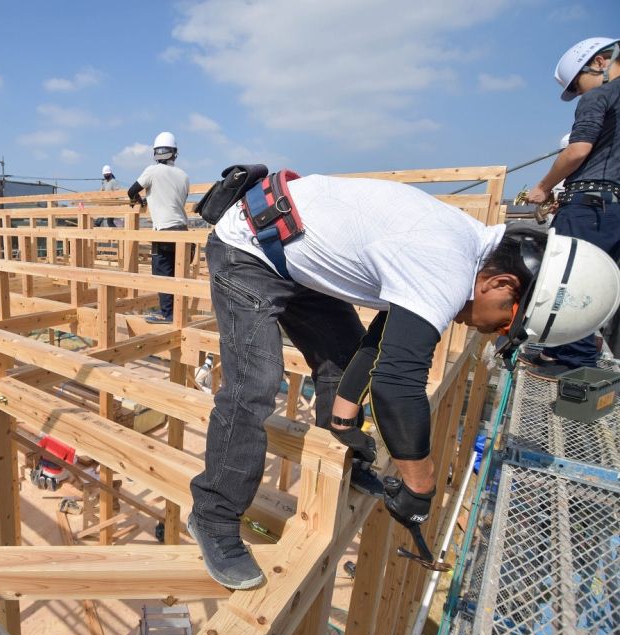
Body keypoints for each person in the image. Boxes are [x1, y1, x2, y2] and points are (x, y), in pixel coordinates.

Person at [188, 171, 620, 590]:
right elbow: (397, 386)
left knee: (343, 355)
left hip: (290, 248)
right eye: (508, 324)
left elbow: (381, 339)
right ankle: (214, 514)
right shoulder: (445, 265)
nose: (495, 332)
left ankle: (342, 456)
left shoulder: (465, 249)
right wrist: (421, 483)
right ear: (501, 283)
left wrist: (344, 420)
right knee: (254, 384)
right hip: (247, 249)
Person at [525, 37, 620, 376]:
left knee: (569, 279)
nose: (580, 94)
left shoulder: (599, 96)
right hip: (614, 210)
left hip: (591, 204)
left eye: (578, 86)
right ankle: (578, 353)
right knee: (604, 285)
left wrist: (543, 187)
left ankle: (574, 363)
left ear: (599, 62)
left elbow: (577, 151)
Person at [128, 132, 191, 323]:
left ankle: (168, 315)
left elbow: (132, 191)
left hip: (164, 231)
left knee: (162, 275)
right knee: (178, 275)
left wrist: (138, 201)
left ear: (156, 153)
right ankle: (179, 313)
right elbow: (173, 200)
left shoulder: (152, 171)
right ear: (174, 154)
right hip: (182, 231)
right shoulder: (184, 176)